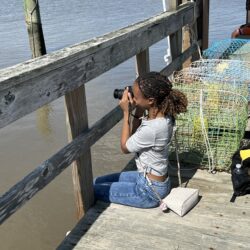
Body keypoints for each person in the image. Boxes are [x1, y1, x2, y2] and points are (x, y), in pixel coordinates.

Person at [94, 71, 188, 208]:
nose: (133, 99)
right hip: (148, 179)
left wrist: (126, 113)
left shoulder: (153, 128)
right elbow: (134, 137)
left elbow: (125, 147)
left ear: (150, 100)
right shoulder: (164, 117)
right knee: (98, 181)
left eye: (136, 97)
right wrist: (138, 110)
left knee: (91, 189)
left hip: (148, 191)